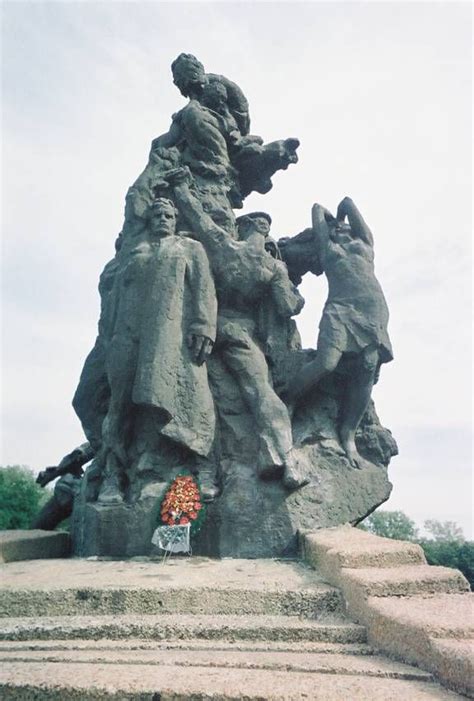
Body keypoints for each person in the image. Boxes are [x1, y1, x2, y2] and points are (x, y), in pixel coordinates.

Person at [169, 166, 307, 490]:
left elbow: (196, 215)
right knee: (260, 392)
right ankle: (285, 458)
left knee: (205, 399)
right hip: (244, 335)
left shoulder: (225, 246)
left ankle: (210, 473)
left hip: (207, 330)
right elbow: (289, 306)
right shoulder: (273, 267)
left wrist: (180, 187)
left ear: (242, 228)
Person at [96, 197, 217, 504]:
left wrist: (203, 325)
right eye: (157, 214)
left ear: (176, 218)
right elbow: (113, 300)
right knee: (120, 406)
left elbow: (204, 289)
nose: (163, 218)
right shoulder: (134, 252)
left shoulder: (189, 248)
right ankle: (113, 476)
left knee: (184, 396)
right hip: (126, 336)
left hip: (170, 336)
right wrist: (108, 337)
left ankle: (195, 468)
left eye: (168, 214)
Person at [286, 197, 393, 468]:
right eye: (337, 229)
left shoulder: (365, 244)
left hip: (371, 312)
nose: (343, 230)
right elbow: (316, 209)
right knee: (326, 362)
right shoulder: (328, 248)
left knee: (367, 366)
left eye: (346, 229)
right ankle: (288, 400)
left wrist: (342, 218)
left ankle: (348, 435)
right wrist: (331, 223)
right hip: (340, 309)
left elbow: (347, 203)